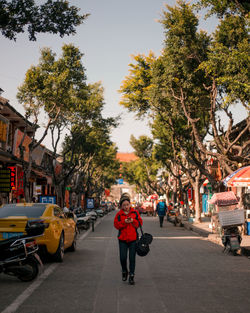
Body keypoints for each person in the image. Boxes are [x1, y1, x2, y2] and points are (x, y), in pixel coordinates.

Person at [114, 193, 142, 285]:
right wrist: (124, 222)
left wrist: (133, 221)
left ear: (130, 204)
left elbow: (139, 224)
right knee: (123, 258)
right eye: (124, 205)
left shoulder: (135, 213)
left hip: (133, 239)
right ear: (121, 206)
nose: (126, 207)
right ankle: (124, 271)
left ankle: (132, 276)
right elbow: (116, 225)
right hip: (122, 240)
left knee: (132, 258)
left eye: (127, 204)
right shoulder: (119, 214)